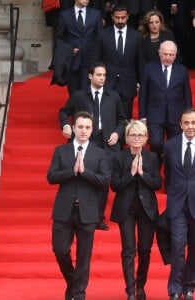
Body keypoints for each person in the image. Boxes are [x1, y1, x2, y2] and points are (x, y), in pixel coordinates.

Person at [47, 111, 110, 300]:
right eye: (80, 127)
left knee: (84, 256)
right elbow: (51, 177)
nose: (84, 131)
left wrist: (84, 172)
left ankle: (78, 293)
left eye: (87, 127)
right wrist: (72, 171)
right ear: (73, 128)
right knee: (60, 250)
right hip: (64, 210)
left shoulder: (100, 154)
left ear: (92, 130)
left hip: (88, 212)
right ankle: (73, 281)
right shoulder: (61, 151)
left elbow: (105, 180)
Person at [59, 62, 126, 230]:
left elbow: (122, 119)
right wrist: (66, 126)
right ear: (90, 76)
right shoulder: (80, 95)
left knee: (103, 180)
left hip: (108, 144)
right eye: (99, 75)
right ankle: (81, 214)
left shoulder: (113, 96)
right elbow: (64, 111)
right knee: (82, 177)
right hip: (85, 141)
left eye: (104, 75)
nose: (102, 78)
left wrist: (117, 133)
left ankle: (98, 217)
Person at [110, 120, 162, 300]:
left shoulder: (153, 158)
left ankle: (141, 285)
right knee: (128, 249)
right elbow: (114, 186)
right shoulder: (119, 157)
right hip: (126, 210)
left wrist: (142, 174)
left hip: (147, 210)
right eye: (133, 135)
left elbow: (157, 184)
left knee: (145, 249)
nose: (136, 138)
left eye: (140, 135)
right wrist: (131, 174)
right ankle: (130, 290)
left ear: (146, 137)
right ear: (127, 137)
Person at [138, 40, 192, 167]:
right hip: (155, 115)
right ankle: (156, 170)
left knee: (174, 147)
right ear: (159, 53)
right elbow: (143, 94)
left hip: (176, 116)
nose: (168, 57)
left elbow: (187, 95)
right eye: (165, 54)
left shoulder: (182, 70)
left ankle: (170, 173)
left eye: (171, 54)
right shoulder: (149, 68)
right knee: (155, 143)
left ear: (176, 54)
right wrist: (142, 117)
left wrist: (189, 117)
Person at [163, 108, 195, 300]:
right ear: (180, 124)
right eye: (187, 123)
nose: (190, 126)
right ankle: (174, 288)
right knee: (177, 245)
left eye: (194, 122)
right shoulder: (170, 146)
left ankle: (189, 286)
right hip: (177, 205)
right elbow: (168, 174)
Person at [92, 4, 143, 121]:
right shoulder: (102, 35)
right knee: (107, 116)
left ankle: (124, 139)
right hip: (107, 81)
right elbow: (96, 58)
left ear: (128, 17)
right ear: (112, 17)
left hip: (128, 82)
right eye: (117, 17)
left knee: (125, 118)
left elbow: (140, 62)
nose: (120, 20)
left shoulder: (136, 36)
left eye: (123, 17)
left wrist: (140, 82)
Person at [55, 0, 103, 95]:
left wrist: (99, 60)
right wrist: (68, 49)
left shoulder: (96, 14)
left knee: (90, 92)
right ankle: (75, 109)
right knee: (74, 93)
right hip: (73, 60)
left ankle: (88, 110)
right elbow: (59, 38)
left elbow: (100, 38)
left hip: (91, 60)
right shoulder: (65, 15)